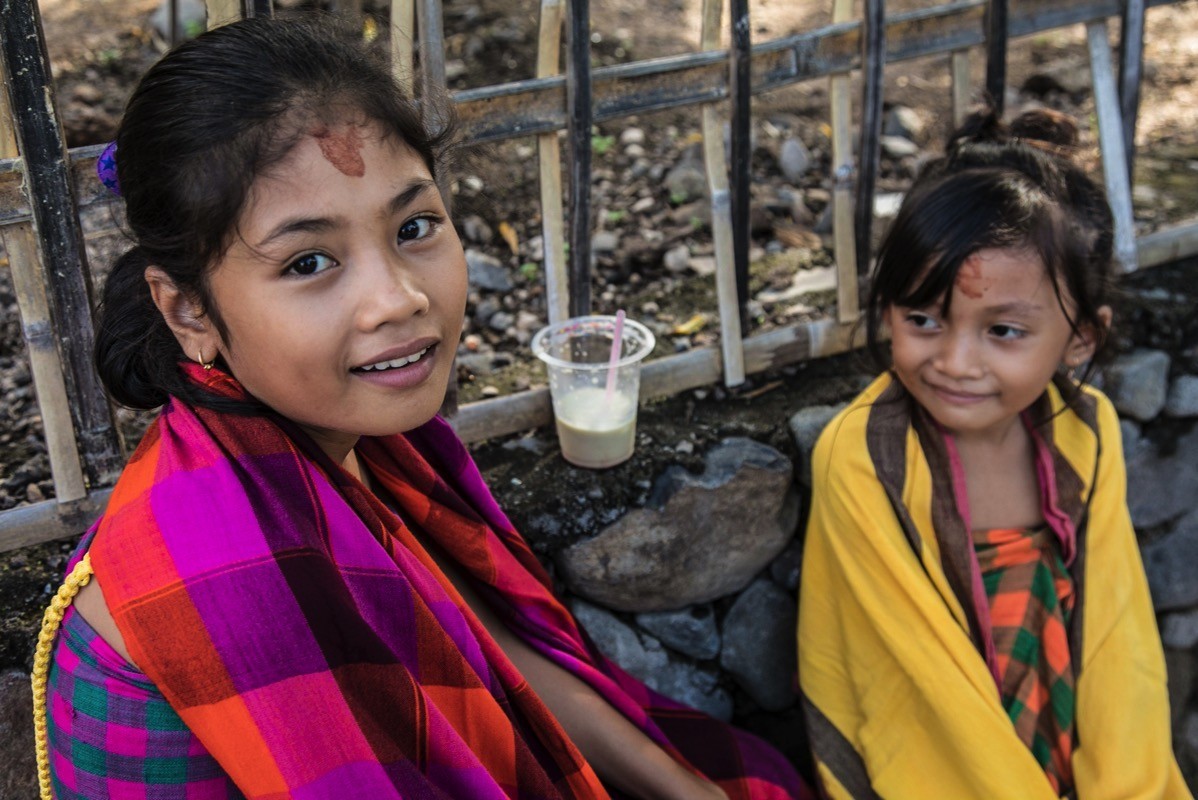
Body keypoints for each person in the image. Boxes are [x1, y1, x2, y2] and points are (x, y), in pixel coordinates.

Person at [31, 16, 809, 800]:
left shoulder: (348, 443)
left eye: (414, 227)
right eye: (309, 262)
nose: (398, 299)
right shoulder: (215, 572)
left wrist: (684, 790)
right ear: (188, 311)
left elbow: (493, 651)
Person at [797, 112, 1191, 799]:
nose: (954, 362)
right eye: (923, 318)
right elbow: (913, 680)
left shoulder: (1084, 431)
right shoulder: (865, 459)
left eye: (1003, 330)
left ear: (1080, 342)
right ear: (887, 307)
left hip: (1056, 736)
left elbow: (1114, 639)